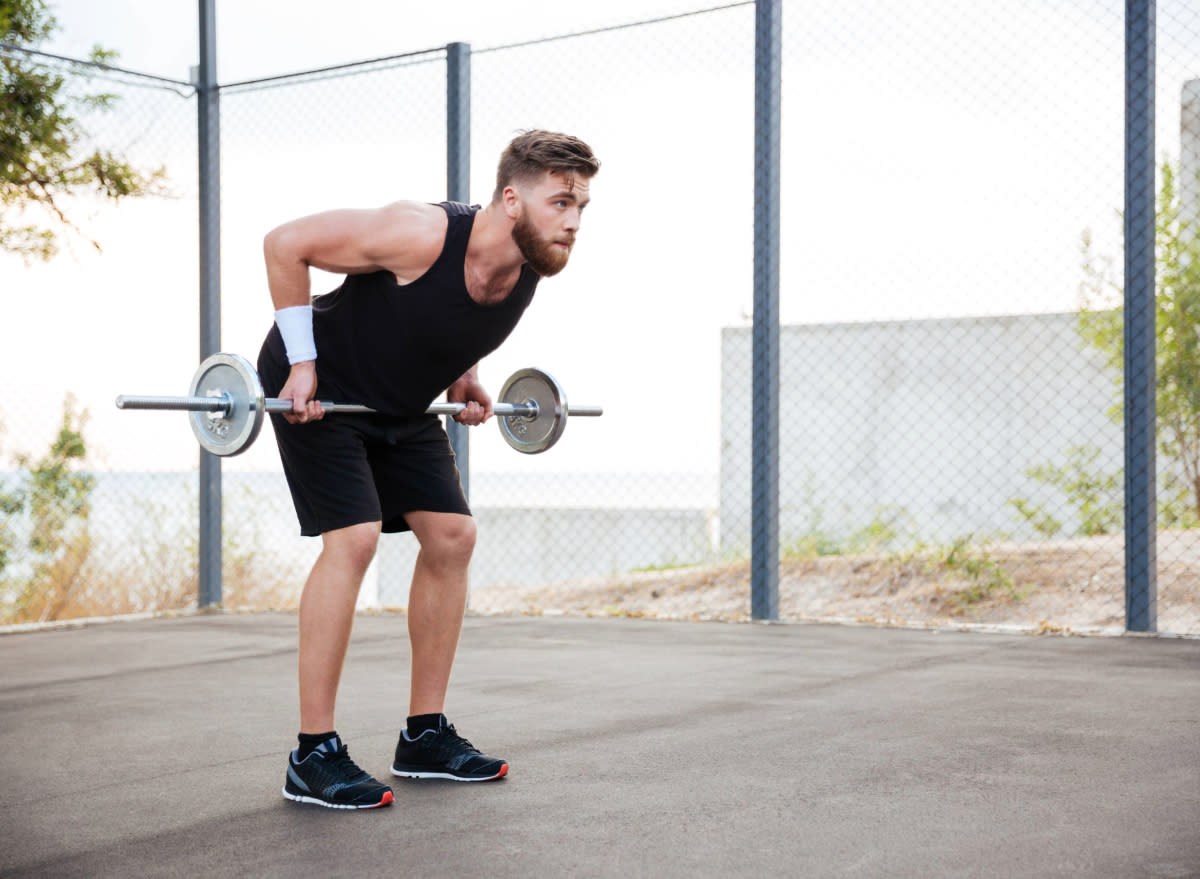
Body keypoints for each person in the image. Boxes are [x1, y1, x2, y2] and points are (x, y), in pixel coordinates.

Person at [258, 130, 599, 810]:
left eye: (583, 206)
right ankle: (312, 752)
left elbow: (449, 325)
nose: (573, 221)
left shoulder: (529, 264)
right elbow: (283, 242)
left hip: (402, 403)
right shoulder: (420, 233)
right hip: (326, 393)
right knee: (352, 538)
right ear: (510, 198)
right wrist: (302, 364)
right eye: (561, 201)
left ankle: (423, 735)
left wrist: (466, 375)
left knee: (452, 535)